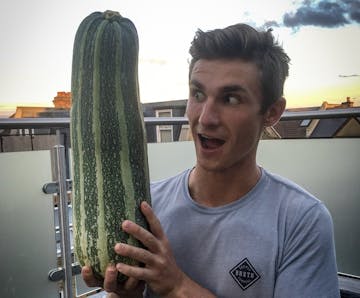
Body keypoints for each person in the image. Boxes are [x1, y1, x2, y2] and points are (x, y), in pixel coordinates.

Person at [82, 23, 340, 297]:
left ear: (272, 112)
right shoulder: (147, 207)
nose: (205, 118)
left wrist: (177, 286)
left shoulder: (300, 220)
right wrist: (127, 294)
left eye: (230, 99)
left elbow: (174, 287)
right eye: (198, 94)